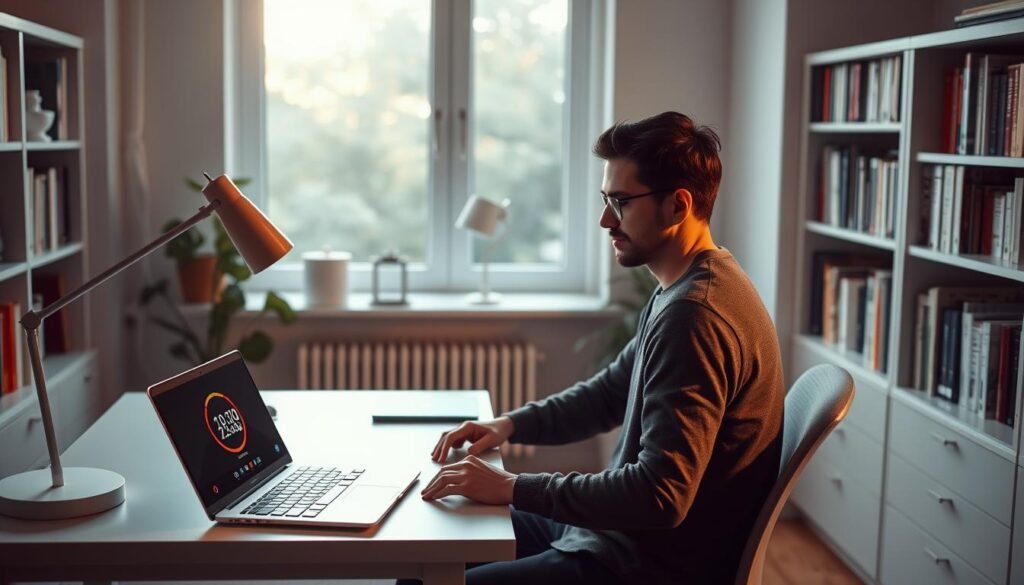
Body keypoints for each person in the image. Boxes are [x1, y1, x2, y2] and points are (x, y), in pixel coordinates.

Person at [414, 111, 784, 585]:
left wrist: (514, 486)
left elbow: (660, 495)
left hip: (640, 567)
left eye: (621, 202)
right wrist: (508, 425)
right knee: (432, 548)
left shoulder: (696, 316)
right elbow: (610, 393)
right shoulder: (687, 285)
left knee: (433, 569)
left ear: (678, 205)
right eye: (606, 199)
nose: (605, 219)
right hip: (616, 541)